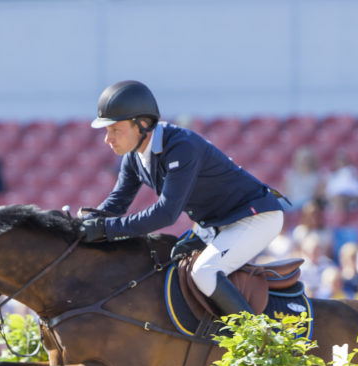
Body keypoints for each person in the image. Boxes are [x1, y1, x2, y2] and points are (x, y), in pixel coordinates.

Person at [79, 80, 285, 316]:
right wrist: (81, 225)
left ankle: (257, 341)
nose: (108, 139)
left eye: (115, 130)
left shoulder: (181, 147)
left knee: (204, 272)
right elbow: (115, 204)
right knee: (169, 264)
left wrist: (107, 229)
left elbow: (166, 213)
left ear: (142, 125)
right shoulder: (134, 157)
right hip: (217, 224)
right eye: (108, 131)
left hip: (255, 217)